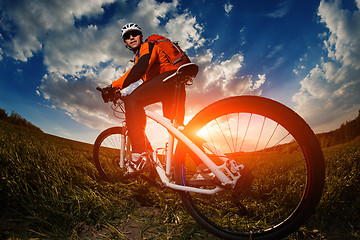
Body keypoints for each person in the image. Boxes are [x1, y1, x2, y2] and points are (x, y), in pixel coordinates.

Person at [107, 23, 186, 171]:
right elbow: (146, 80)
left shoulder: (148, 46)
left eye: (134, 34)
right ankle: (211, 167)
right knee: (178, 131)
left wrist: (113, 87)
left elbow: (140, 68)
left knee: (132, 101)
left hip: (169, 78)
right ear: (125, 42)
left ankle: (139, 155)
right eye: (127, 36)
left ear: (141, 36)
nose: (131, 38)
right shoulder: (141, 54)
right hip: (176, 83)